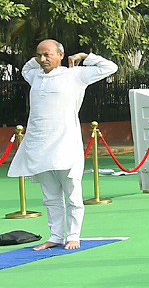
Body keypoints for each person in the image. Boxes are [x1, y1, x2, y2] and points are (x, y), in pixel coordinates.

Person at [7, 40, 117, 250]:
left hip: (65, 143)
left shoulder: (75, 75)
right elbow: (26, 68)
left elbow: (110, 68)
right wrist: (40, 57)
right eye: (39, 55)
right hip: (39, 144)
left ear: (60, 54)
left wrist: (85, 57)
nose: (42, 60)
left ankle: (73, 235)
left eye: (47, 55)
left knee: (72, 193)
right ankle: (56, 236)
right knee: (50, 196)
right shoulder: (35, 76)